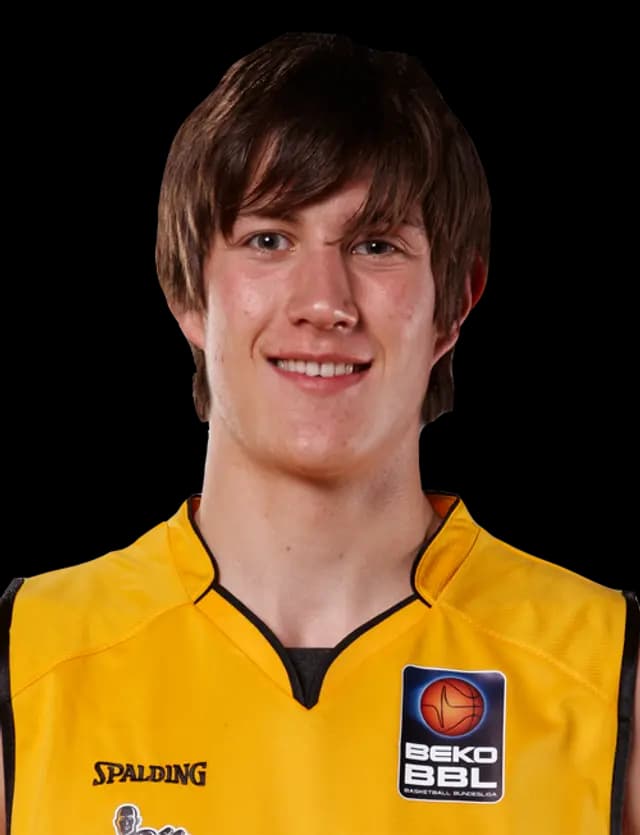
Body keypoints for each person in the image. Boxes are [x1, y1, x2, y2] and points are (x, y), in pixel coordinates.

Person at [0, 31, 638, 835]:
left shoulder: (606, 672)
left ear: (454, 305)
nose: (323, 302)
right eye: (269, 239)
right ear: (188, 288)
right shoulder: (29, 657)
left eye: (377, 245)